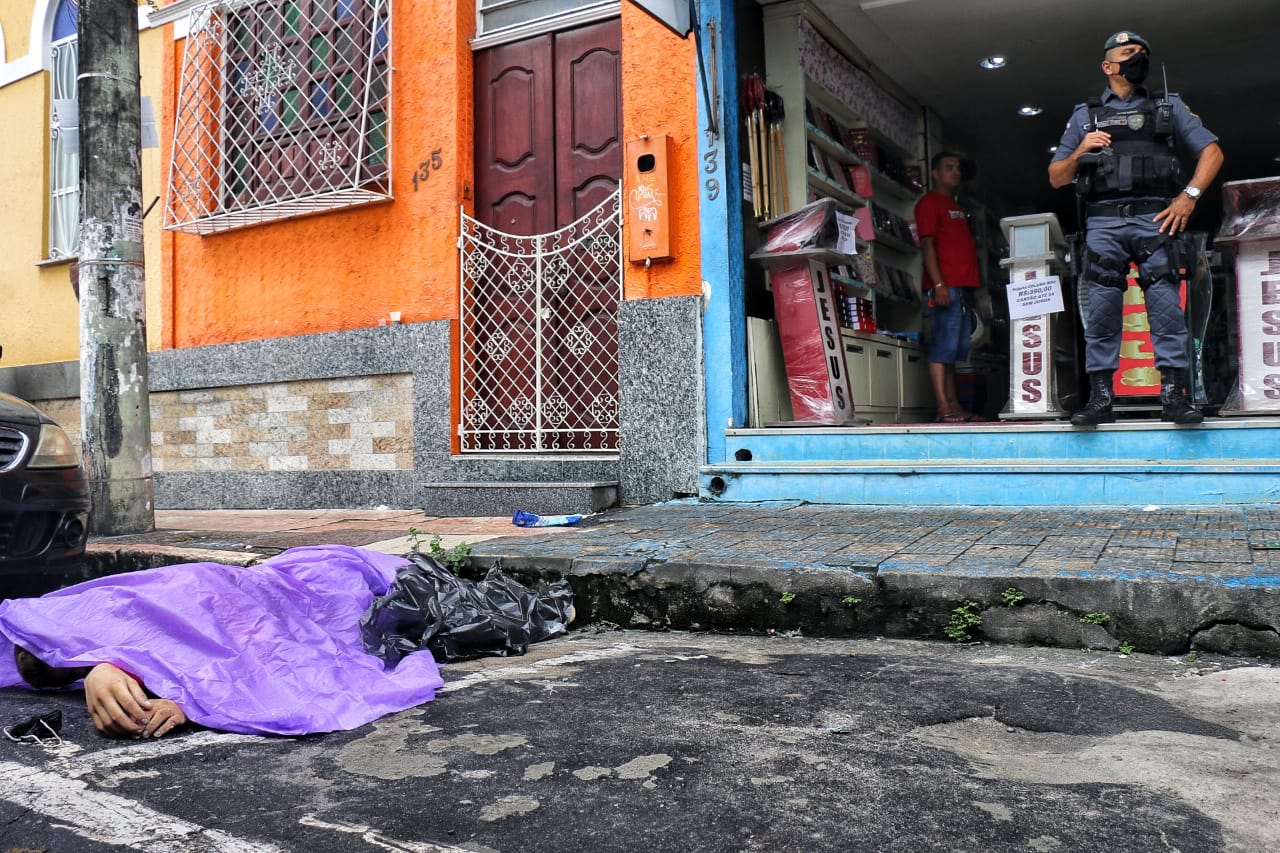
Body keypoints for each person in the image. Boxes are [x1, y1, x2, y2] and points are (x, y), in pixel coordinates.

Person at [1049, 30, 1224, 426]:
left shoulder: (1168, 106)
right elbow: (1057, 177)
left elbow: (1212, 152)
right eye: (1128, 53)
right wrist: (1080, 150)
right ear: (1107, 66)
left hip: (1155, 218)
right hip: (1104, 223)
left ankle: (1174, 398)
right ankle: (1100, 401)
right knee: (1103, 315)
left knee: (1166, 311)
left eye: (1142, 53)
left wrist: (1189, 196)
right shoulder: (1085, 115)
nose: (1137, 58)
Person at [916, 151, 983, 422]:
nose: (955, 172)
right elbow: (928, 246)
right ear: (935, 173)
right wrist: (939, 284)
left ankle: (954, 407)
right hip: (945, 287)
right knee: (942, 348)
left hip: (962, 288)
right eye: (949, 168)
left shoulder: (955, 205)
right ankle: (943, 407)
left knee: (954, 352)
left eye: (957, 168)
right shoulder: (929, 204)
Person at [14, 646, 189, 739]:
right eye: (76, 674)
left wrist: (187, 703)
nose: (84, 665)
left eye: (72, 656)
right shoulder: (102, 676)